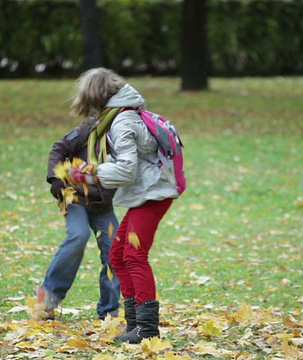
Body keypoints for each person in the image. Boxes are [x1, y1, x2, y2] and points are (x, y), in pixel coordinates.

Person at [67, 67, 180, 344]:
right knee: (118, 255)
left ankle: (147, 329)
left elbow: (127, 171)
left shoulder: (122, 122)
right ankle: (134, 325)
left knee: (134, 255)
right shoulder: (121, 116)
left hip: (153, 194)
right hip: (147, 193)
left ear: (94, 96)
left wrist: (89, 175)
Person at [36, 116, 121, 320]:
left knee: (115, 250)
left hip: (103, 204)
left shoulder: (126, 141)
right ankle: (48, 295)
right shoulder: (90, 128)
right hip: (74, 198)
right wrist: (55, 179)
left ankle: (109, 311)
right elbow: (59, 148)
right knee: (78, 235)